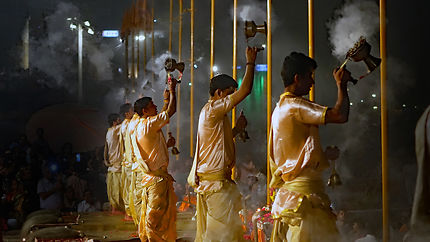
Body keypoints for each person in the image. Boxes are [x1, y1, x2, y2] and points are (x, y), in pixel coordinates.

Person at [268, 52, 352, 242]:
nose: (312, 83)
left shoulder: (279, 108)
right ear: (297, 78)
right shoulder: (295, 105)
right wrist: (342, 85)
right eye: (309, 76)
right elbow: (340, 115)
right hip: (305, 200)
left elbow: (293, 154)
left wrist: (322, 155)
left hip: (294, 193)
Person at [187, 46, 259, 242]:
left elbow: (217, 142)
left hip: (217, 183)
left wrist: (236, 129)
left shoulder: (214, 114)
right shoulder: (212, 109)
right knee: (222, 236)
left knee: (228, 233)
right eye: (229, 93)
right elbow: (246, 90)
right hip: (215, 185)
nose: (231, 97)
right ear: (218, 93)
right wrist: (251, 61)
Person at [133, 77, 178, 241]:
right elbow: (170, 112)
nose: (156, 107)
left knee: (158, 217)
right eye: (153, 105)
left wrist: (166, 145)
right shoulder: (148, 125)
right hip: (156, 181)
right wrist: (173, 91)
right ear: (145, 111)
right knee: (154, 220)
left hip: (152, 178)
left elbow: (152, 150)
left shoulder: (142, 124)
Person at [103, 113, 123, 214]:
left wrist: (105, 160)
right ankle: (116, 209)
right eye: (119, 120)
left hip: (112, 166)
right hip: (116, 166)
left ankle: (114, 208)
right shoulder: (115, 130)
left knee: (114, 191)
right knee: (118, 190)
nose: (121, 122)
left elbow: (106, 147)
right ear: (114, 122)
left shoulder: (108, 132)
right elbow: (126, 126)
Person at [118, 103, 135, 221]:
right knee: (130, 187)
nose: (134, 112)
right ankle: (129, 212)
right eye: (132, 110)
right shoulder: (128, 124)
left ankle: (129, 212)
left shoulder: (123, 124)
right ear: (126, 114)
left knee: (128, 187)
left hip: (126, 159)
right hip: (129, 160)